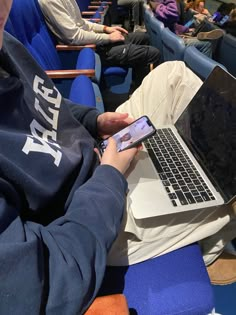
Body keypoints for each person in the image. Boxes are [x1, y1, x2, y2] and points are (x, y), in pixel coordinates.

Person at [1, 0, 236, 313]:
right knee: (229, 183)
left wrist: (94, 120)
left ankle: (191, 170)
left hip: (98, 156)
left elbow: (46, 103)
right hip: (88, 217)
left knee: (173, 75)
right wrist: (111, 175)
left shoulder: (5, 42)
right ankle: (207, 241)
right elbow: (50, 278)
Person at [38, 0, 160, 88]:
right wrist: (107, 38)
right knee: (152, 54)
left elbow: (81, 23)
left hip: (94, 42)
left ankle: (136, 87)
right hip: (85, 49)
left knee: (143, 37)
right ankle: (140, 97)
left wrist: (106, 29)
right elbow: (74, 37)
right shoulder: (50, 1)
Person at [148, 0, 224, 57]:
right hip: (175, 37)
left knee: (197, 29)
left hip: (174, 33)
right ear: (196, 6)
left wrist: (187, 29)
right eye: (201, 7)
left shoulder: (155, 6)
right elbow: (173, 14)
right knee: (207, 42)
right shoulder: (189, 12)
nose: (203, 9)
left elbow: (174, 24)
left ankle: (196, 35)